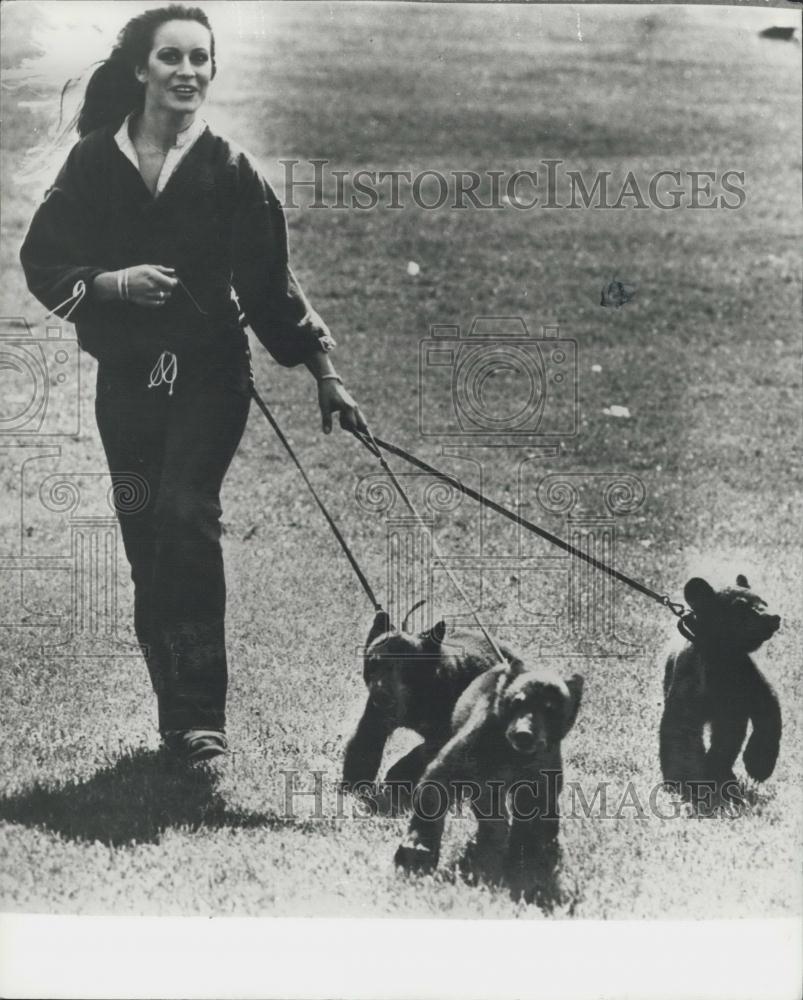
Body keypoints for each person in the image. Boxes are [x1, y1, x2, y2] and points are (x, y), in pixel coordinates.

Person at [20, 4, 367, 763]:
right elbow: (43, 263)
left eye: (200, 59)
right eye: (171, 58)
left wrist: (325, 375)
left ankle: (200, 713)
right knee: (147, 542)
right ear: (141, 69)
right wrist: (111, 284)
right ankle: (174, 716)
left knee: (183, 514)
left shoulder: (230, 170)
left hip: (213, 377)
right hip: (129, 384)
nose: (188, 73)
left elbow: (272, 289)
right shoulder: (92, 164)